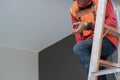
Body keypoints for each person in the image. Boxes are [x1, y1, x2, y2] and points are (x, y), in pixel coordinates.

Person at [70, 0, 118, 80]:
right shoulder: (73, 9)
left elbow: (112, 22)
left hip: (107, 39)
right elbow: (78, 34)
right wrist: (82, 47)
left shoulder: (101, 1)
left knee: (78, 48)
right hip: (91, 44)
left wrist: (89, 25)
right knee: (97, 68)